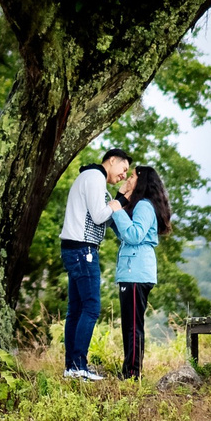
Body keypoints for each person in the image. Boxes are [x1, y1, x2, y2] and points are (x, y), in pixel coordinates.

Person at [57, 150, 131, 379]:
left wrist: (117, 200)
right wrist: (121, 200)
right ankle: (79, 366)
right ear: (112, 160)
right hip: (83, 250)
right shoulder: (95, 178)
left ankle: (72, 367)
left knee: (76, 309)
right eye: (124, 169)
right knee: (91, 308)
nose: (123, 175)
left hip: (75, 249)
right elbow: (100, 216)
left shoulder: (91, 177)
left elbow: (101, 219)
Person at [108, 160, 171, 381]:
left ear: (142, 180)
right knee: (130, 325)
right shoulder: (140, 205)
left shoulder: (144, 205)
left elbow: (134, 235)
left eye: (133, 176)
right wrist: (119, 200)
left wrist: (118, 211)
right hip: (132, 271)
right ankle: (129, 370)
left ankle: (133, 374)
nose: (129, 178)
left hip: (136, 272)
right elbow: (123, 231)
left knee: (133, 326)